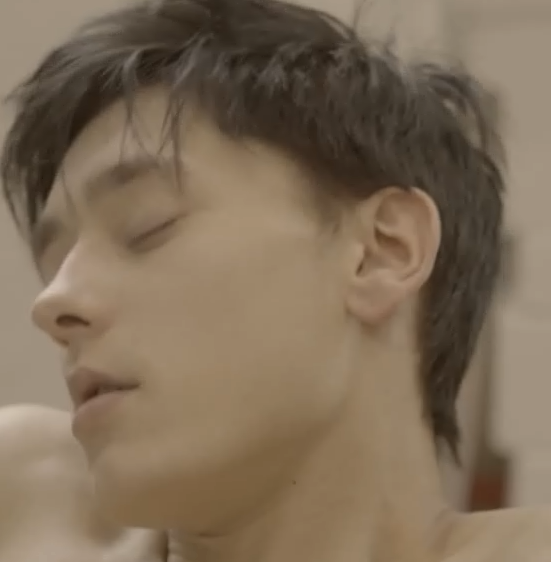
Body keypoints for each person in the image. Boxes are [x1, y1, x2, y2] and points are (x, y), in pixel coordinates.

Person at [0, 0, 548, 561]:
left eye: (147, 226)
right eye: (55, 265)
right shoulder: (24, 498)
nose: (53, 302)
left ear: (384, 251)